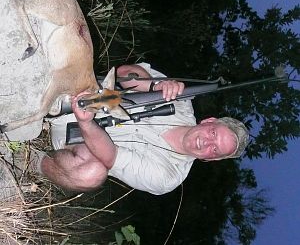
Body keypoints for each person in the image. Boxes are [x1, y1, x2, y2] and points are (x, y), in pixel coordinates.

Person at [32, 63, 249, 195]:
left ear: (211, 159)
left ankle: (34, 161)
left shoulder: (169, 177)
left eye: (215, 150)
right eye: (214, 135)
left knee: (92, 174)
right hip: (79, 93)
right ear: (209, 121)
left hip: (74, 139)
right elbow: (125, 72)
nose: (207, 143)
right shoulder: (181, 100)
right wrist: (154, 86)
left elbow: (111, 158)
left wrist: (87, 123)